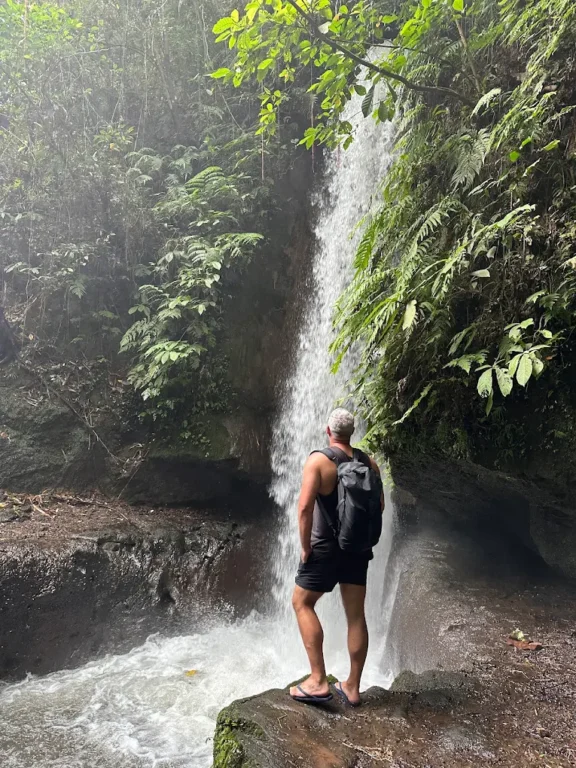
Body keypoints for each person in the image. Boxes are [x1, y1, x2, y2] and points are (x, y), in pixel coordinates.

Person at [289, 408, 384, 707]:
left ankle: (318, 680)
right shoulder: (369, 463)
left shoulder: (319, 461)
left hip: (326, 547)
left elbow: (304, 508)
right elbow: (378, 507)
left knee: (302, 602)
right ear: (352, 433)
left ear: (328, 431)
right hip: (356, 548)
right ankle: (353, 686)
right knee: (356, 615)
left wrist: (305, 547)